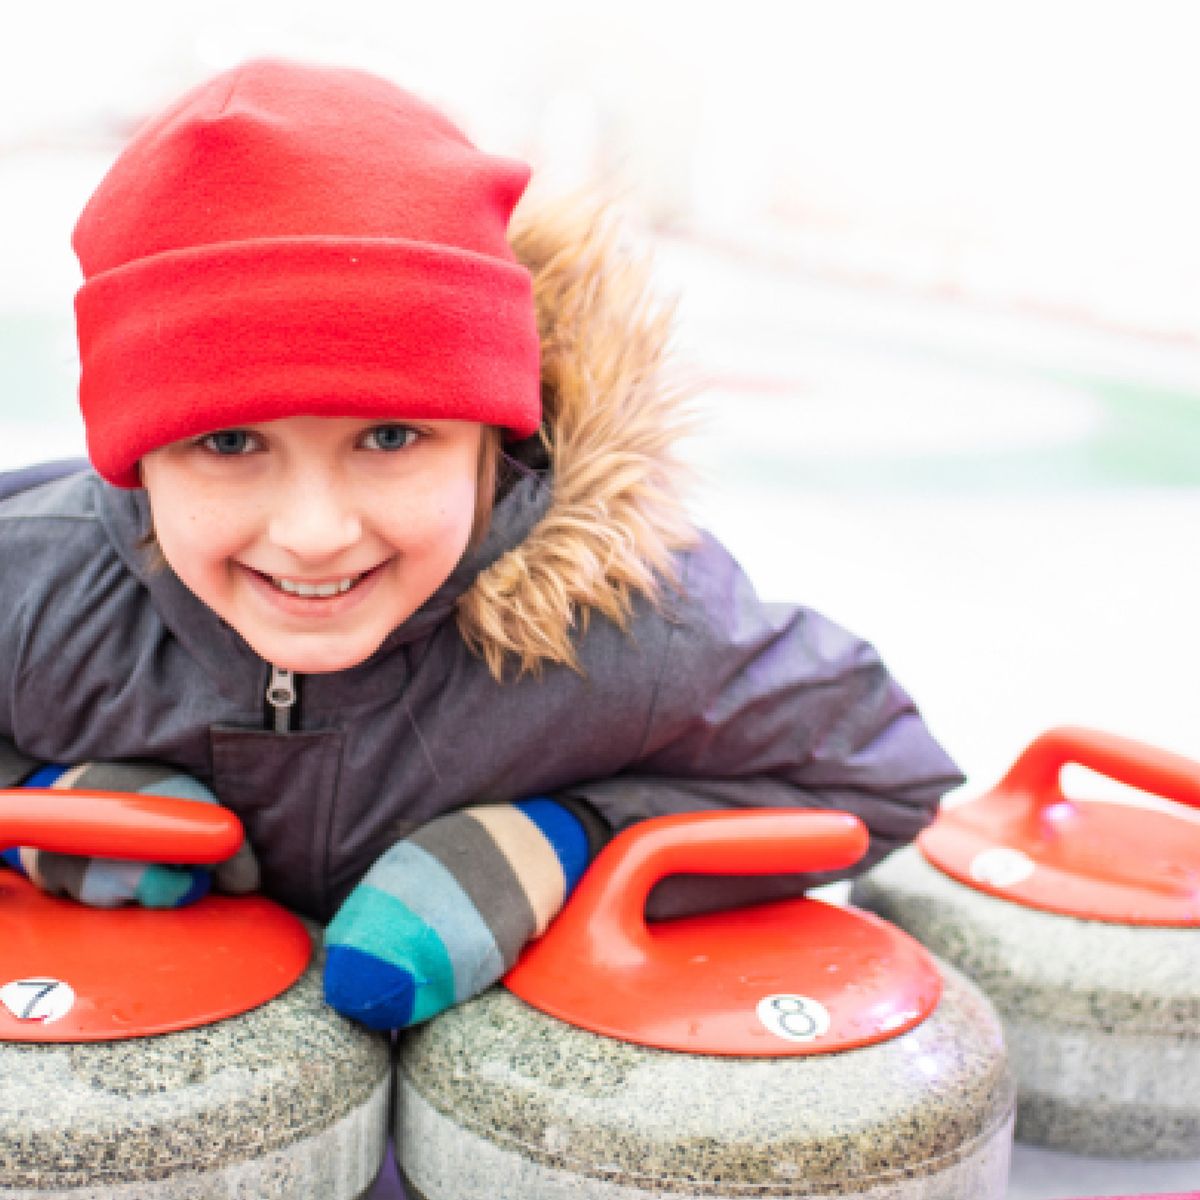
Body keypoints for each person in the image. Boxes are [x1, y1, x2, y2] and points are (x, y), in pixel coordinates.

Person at [0, 59, 962, 1031]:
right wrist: (48, 810)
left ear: (490, 441)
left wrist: (563, 841)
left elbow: (877, 770)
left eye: (389, 437)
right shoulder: (41, 585)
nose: (315, 533)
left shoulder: (626, 624)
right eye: (228, 441)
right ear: (138, 457)